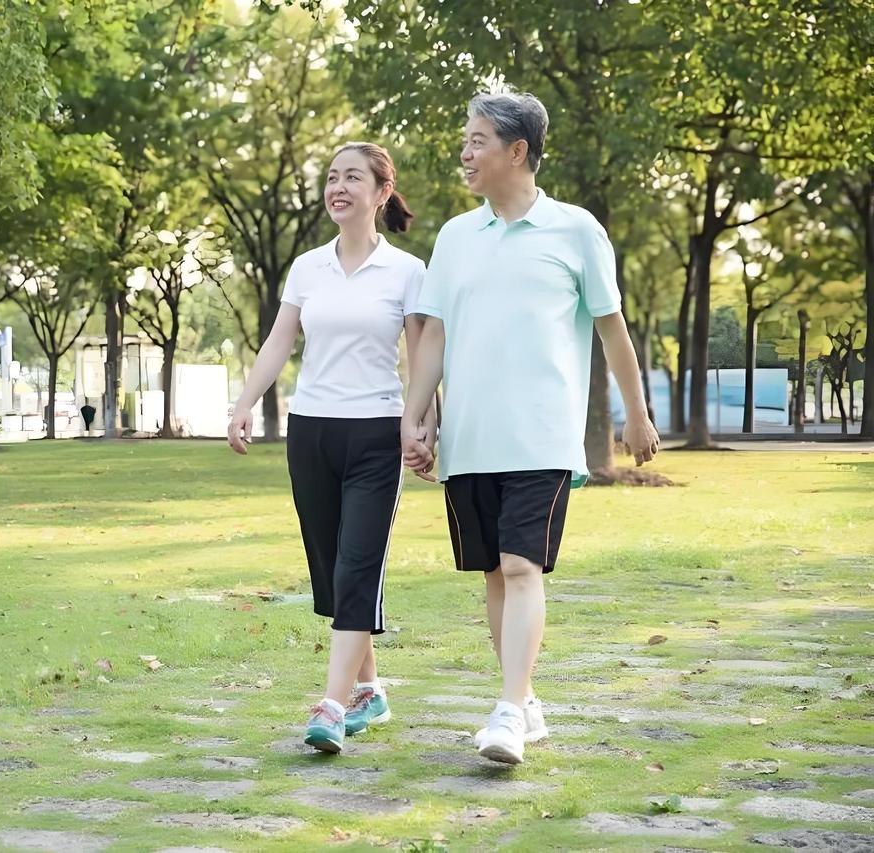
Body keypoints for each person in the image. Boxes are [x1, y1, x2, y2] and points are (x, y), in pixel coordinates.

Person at [402, 91, 660, 765]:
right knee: (492, 571)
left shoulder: (577, 230)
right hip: (470, 438)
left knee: (521, 565)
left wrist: (635, 412)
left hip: (542, 436)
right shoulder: (456, 237)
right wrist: (416, 419)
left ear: (517, 151)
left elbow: (611, 327)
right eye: (465, 139)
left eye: (478, 140)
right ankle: (525, 698)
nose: (465, 152)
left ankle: (510, 710)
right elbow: (432, 337)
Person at [227, 142, 430, 753]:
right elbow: (278, 342)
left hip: (376, 431)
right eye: (332, 178)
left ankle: (333, 706)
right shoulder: (308, 268)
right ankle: (372, 691)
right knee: (332, 574)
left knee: (357, 565)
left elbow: (421, 357)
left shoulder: (407, 272)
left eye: (352, 178)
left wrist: (420, 424)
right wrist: (242, 404)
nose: (338, 187)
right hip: (311, 431)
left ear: (381, 192)